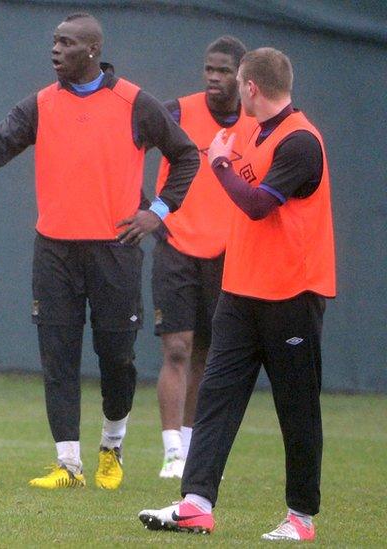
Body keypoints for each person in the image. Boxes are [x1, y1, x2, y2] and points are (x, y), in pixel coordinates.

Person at [0, 12, 199, 490]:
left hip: (115, 249)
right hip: (54, 249)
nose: (55, 51)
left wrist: (157, 212)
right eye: (54, 42)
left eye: (67, 43)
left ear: (92, 50)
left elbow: (187, 155)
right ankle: (68, 465)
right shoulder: (40, 104)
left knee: (117, 357)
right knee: (58, 355)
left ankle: (112, 445)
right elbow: (1, 141)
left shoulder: (135, 103)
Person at [139, 47, 335, 542]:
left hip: (292, 295)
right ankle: (196, 503)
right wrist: (226, 155)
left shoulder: (301, 142)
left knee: (297, 409)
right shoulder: (249, 129)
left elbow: (257, 206)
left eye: (237, 83)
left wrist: (222, 165)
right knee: (217, 400)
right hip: (242, 292)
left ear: (250, 88)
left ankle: (301, 518)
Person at [151, 36, 258, 479]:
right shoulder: (176, 112)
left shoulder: (255, 126)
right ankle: (171, 449)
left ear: (243, 77)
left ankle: (193, 447)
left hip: (228, 250)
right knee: (176, 348)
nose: (213, 77)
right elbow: (126, 143)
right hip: (176, 244)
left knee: (206, 352)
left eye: (222, 71)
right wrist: (150, 210)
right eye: (207, 69)